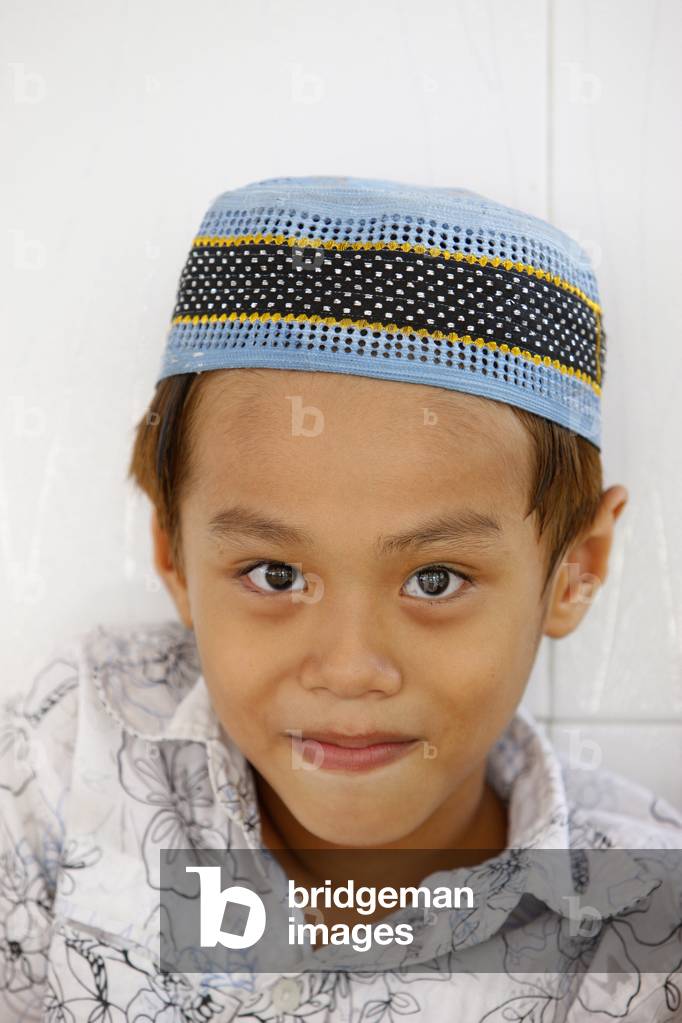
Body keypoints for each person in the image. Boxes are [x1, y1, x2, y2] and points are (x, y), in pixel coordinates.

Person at [1, 176, 680, 1021]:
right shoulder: (71, 757)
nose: (350, 668)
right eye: (275, 575)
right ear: (173, 554)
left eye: (435, 580)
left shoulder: (647, 927)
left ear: (576, 569)